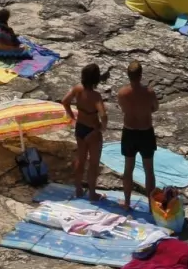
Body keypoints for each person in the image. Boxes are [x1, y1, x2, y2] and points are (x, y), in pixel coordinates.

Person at [115, 61, 159, 213]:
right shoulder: (150, 92)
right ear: (141, 75)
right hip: (146, 132)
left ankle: (127, 203)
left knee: (128, 169)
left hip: (129, 132)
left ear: (128, 75)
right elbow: (155, 108)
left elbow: (123, 109)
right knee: (149, 170)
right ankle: (152, 207)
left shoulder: (122, 93)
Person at [62, 64, 107, 202]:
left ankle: (78, 189)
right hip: (92, 131)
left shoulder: (77, 89)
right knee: (93, 163)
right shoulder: (96, 96)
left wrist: (72, 117)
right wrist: (101, 128)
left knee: (81, 159)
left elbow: (65, 101)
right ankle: (92, 194)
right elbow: (103, 115)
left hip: (80, 128)